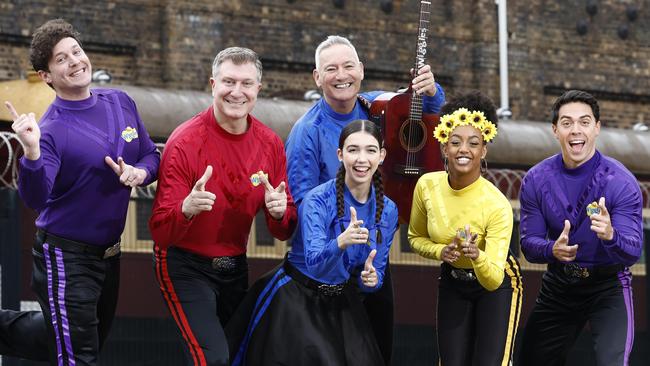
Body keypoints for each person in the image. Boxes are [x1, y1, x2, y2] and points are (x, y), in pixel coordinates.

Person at [0, 18, 160, 365]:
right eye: (61, 59)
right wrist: (30, 152)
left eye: (76, 51)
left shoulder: (120, 102)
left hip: (108, 254)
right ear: (46, 76)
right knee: (78, 355)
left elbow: (151, 155)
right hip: (65, 256)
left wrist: (140, 171)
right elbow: (36, 198)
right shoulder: (53, 129)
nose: (74, 61)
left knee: (73, 341)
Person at [284, 34, 445, 364]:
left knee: (377, 355)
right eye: (331, 69)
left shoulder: (379, 108)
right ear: (317, 77)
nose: (341, 75)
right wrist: (341, 240)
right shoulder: (306, 131)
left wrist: (431, 90)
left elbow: (427, 111)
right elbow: (302, 208)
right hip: (325, 272)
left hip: (373, 264)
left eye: (348, 66)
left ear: (361, 70)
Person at [148, 47, 297, 366]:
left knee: (239, 356)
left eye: (246, 84)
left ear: (258, 89)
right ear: (212, 84)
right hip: (183, 263)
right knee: (211, 358)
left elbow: (284, 230)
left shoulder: (270, 144)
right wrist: (186, 208)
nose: (237, 92)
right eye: (229, 82)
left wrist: (279, 212)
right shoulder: (185, 142)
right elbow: (160, 231)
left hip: (234, 264)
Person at [226, 119, 398, 366]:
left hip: (342, 300)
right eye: (353, 150)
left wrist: (371, 279)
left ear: (381, 156)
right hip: (298, 295)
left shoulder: (388, 209)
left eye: (370, 150)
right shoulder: (317, 200)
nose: (362, 159)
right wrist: (341, 241)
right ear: (340, 155)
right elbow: (315, 262)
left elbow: (375, 274)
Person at [517, 90, 643, 366]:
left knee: (611, 360)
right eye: (567, 123)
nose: (576, 130)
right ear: (555, 130)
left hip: (607, 286)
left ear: (597, 128)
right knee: (531, 359)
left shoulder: (620, 181)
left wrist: (610, 235)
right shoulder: (537, 179)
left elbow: (633, 252)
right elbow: (528, 244)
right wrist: (552, 249)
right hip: (560, 286)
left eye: (584, 122)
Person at [408, 91, 523, 366]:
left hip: (497, 282)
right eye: (456, 141)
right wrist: (440, 251)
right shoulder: (426, 186)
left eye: (474, 143)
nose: (464, 150)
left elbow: (494, 278)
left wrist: (476, 255)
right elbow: (415, 237)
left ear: (483, 150)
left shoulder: (496, 204)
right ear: (444, 146)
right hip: (453, 280)